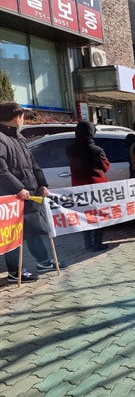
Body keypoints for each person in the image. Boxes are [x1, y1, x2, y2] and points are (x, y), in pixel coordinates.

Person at [0, 102, 65, 283]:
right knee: (13, 235)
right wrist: (18, 188)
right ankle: (15, 271)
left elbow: (32, 164)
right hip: (12, 197)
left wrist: (42, 183)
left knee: (34, 230)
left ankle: (43, 261)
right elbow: (1, 170)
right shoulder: (1, 138)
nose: (24, 120)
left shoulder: (18, 137)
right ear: (16, 117)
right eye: (23, 116)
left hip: (30, 193)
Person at [66, 120, 111, 252]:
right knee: (98, 215)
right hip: (96, 188)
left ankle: (88, 243)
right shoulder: (97, 150)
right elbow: (106, 167)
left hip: (79, 187)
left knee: (85, 215)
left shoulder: (69, 149)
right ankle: (97, 243)